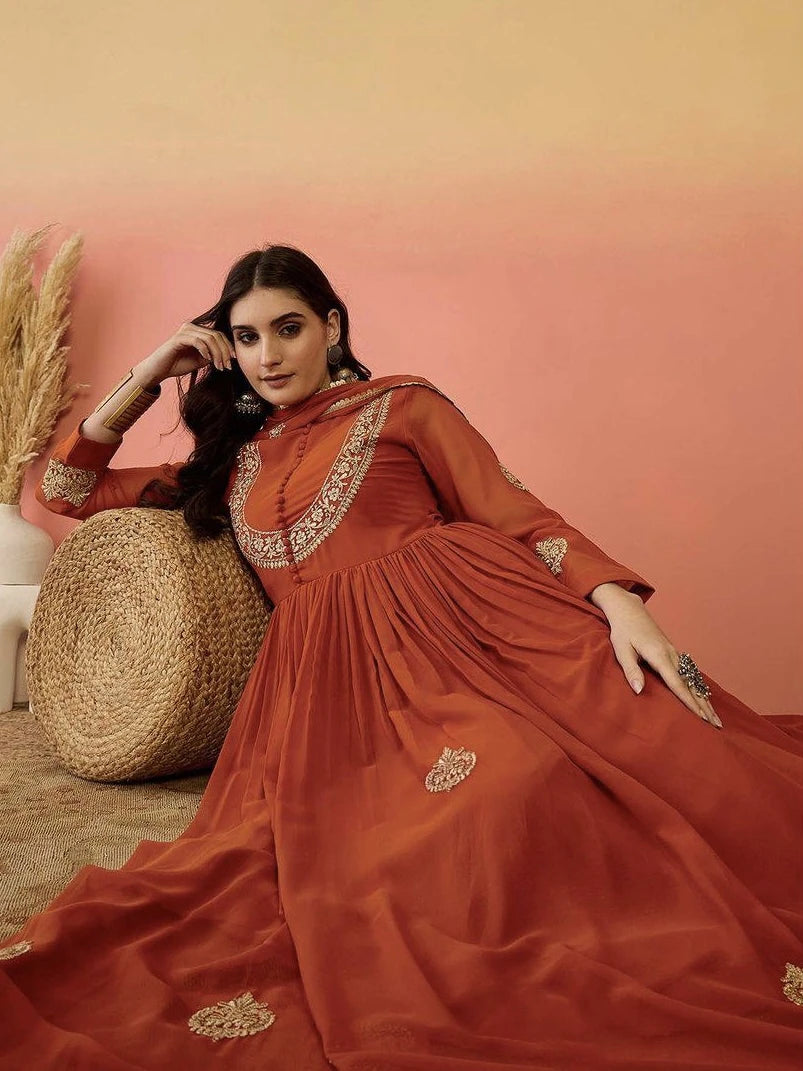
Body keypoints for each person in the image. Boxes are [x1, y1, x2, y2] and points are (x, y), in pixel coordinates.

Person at [1, 244, 801, 1070]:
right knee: (387, 857)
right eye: (244, 338)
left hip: (474, 641)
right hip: (327, 693)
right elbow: (62, 492)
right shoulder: (230, 460)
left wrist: (616, 599)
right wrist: (153, 365)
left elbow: (512, 509)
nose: (268, 355)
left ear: (332, 327)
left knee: (536, 778)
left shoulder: (402, 405)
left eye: (288, 328)